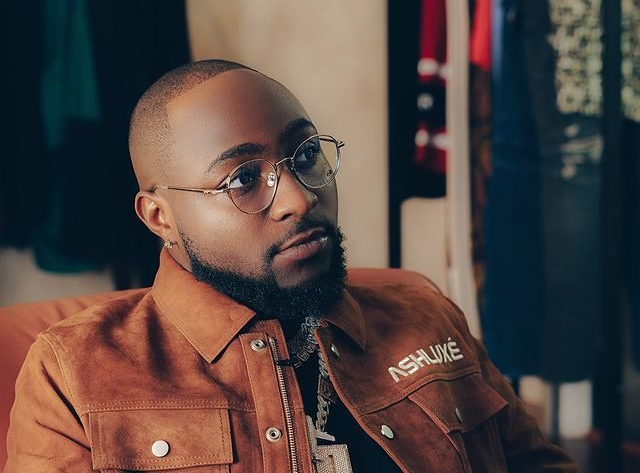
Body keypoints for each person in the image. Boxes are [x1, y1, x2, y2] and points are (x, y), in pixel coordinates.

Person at [5, 59, 578, 472]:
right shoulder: (74, 371)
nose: (300, 199)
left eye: (305, 155)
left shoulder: (426, 316)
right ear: (160, 218)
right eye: (242, 179)